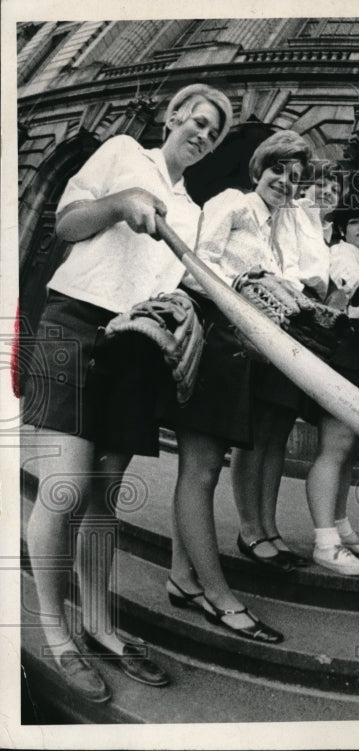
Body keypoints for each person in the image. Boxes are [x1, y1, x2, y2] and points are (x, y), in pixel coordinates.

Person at [22, 84, 233, 702]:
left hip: (134, 343)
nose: (200, 134)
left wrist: (182, 309)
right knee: (64, 490)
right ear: (172, 117)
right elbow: (66, 223)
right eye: (195, 120)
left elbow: (168, 284)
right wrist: (123, 203)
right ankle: (57, 635)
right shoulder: (120, 151)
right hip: (74, 323)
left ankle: (100, 625)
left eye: (212, 132)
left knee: (103, 499)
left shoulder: (191, 211)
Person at [163, 130, 319, 643]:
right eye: (278, 170)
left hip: (247, 345)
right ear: (260, 167)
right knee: (202, 466)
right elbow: (196, 263)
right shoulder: (232, 202)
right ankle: (217, 596)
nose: (285, 182)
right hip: (215, 334)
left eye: (295, 178)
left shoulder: (284, 227)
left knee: (205, 464)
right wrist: (244, 289)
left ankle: (183, 578)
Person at [300, 191, 359, 575]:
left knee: (349, 447)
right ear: (342, 228)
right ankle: (325, 542)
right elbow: (357, 286)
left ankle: (342, 529)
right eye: (355, 222)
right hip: (343, 347)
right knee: (334, 446)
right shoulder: (342, 255)